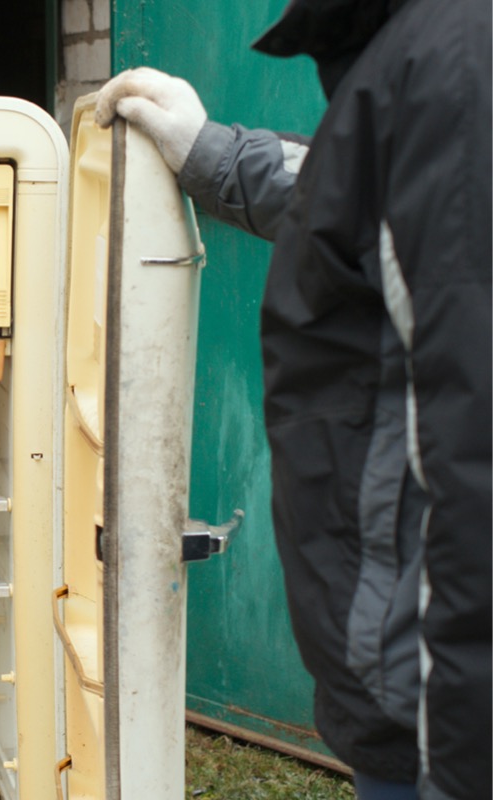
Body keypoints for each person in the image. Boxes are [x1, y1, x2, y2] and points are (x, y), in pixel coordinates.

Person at [92, 1, 491, 799]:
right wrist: (211, 151)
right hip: (418, 705)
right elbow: (371, 209)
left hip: (443, 720)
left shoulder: (455, 60)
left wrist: (461, 754)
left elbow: (475, 437)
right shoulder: (429, 60)